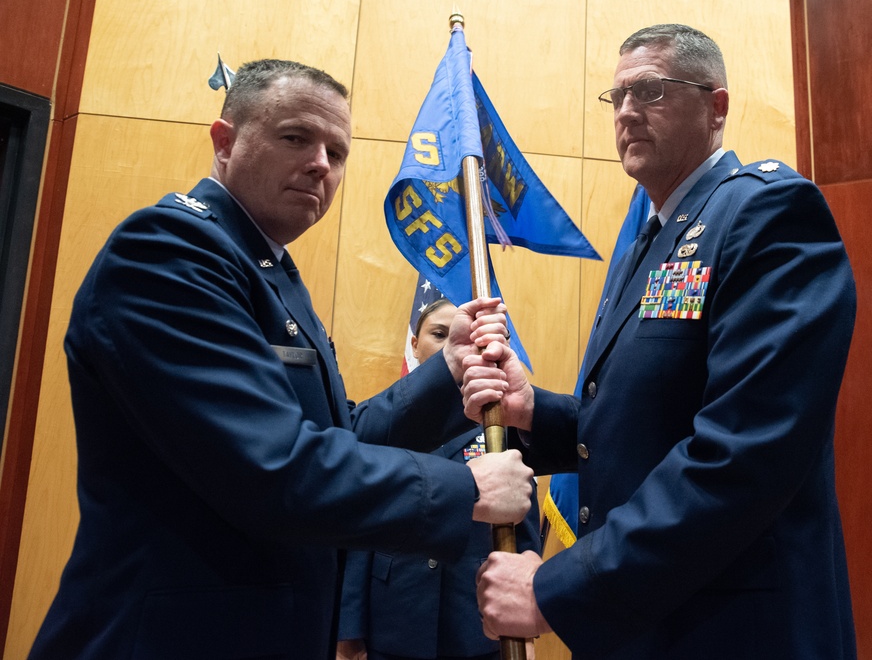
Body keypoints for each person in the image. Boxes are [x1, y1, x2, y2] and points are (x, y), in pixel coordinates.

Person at [29, 59, 534, 659]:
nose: (321, 163)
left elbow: (336, 436)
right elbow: (269, 464)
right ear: (225, 141)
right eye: (296, 137)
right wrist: (463, 489)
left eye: (337, 153)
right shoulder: (168, 253)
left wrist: (447, 371)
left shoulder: (264, 267)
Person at [463, 24, 858, 659]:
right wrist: (535, 411)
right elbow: (648, 420)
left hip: (734, 631)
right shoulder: (648, 239)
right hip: (651, 625)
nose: (625, 112)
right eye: (617, 96)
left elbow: (745, 451)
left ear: (716, 106)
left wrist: (559, 588)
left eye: (649, 90)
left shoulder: (768, 214)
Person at [337, 299, 541, 660]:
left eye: (457, 336)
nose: (448, 343)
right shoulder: (389, 421)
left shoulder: (497, 420)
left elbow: (519, 514)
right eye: (438, 334)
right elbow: (362, 525)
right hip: (395, 613)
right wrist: (350, 627)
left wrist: (525, 614)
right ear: (414, 345)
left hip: (472, 619)